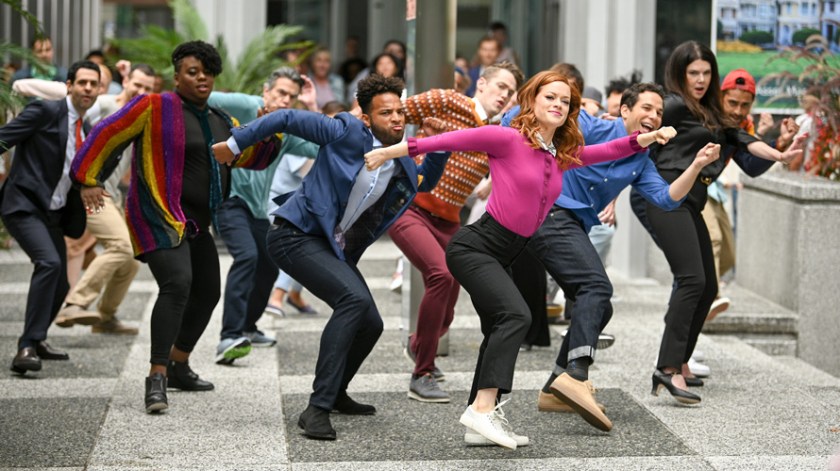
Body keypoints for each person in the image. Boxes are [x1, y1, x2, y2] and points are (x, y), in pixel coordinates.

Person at [365, 70, 676, 449]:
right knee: (516, 316)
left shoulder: (560, 156)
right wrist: (385, 152)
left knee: (499, 329)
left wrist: (647, 138)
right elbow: (442, 141)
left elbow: (610, 150)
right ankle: (482, 410)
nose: (558, 104)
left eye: (565, 101)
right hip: (477, 247)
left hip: (505, 254)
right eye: (550, 97)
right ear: (532, 101)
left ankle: (481, 417)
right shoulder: (507, 139)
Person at [210, 74, 451, 441]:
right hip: (295, 235)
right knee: (353, 300)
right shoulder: (345, 131)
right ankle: (317, 408)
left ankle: (336, 392)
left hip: (332, 247)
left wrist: (439, 147)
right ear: (366, 118)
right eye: (386, 113)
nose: (396, 119)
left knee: (371, 324)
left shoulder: (398, 159)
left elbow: (425, 182)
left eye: (400, 112)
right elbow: (285, 117)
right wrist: (234, 143)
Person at [71, 40, 282, 414]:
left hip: (197, 224)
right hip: (157, 215)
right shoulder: (153, 107)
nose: (202, 78)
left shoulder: (220, 119)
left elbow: (252, 156)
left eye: (208, 72)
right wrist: (88, 178)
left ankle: (178, 363)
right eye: (192, 72)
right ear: (177, 75)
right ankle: (156, 376)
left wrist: (267, 129)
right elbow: (106, 132)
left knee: (208, 292)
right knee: (178, 283)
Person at [514, 82, 720, 431]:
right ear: (625, 110)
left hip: (571, 224)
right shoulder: (591, 125)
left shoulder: (641, 161)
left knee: (600, 306)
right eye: (646, 108)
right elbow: (522, 115)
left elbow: (667, 199)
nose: (654, 116)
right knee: (596, 287)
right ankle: (576, 376)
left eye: (659, 112)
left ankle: (554, 387)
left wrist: (697, 165)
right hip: (547, 212)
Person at [643, 41, 804, 405]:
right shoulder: (671, 104)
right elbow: (637, 140)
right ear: (680, 73)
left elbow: (745, 142)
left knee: (708, 285)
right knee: (692, 279)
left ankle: (679, 361)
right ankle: (666, 368)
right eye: (693, 73)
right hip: (665, 198)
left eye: (706, 73)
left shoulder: (712, 113)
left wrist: (779, 152)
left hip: (690, 204)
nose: (700, 80)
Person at [391, 62, 524, 406]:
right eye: (501, 86)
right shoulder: (448, 100)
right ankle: (421, 373)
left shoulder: (498, 133)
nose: (505, 95)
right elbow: (391, 114)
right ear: (481, 84)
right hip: (409, 207)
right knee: (441, 275)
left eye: (510, 92)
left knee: (449, 306)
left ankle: (419, 344)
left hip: (450, 221)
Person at [208, 66, 317, 364]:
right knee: (247, 256)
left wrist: (311, 106)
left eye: (292, 97)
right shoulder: (246, 105)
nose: (285, 100)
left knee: (269, 264)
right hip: (229, 200)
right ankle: (229, 336)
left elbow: (320, 145)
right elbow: (205, 98)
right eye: (280, 93)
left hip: (257, 209)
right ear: (266, 91)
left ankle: (248, 326)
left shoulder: (286, 128)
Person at [0, 60, 100, 375]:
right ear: (68, 86)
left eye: (93, 84)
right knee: (49, 263)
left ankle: (39, 336)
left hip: (53, 213)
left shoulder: (87, 129)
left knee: (61, 282)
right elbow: (4, 137)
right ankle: (26, 347)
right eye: (82, 82)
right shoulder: (45, 111)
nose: (88, 88)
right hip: (23, 204)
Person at [53, 63, 157, 335]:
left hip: (111, 195)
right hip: (87, 192)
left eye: (147, 88)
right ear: (126, 81)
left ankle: (105, 318)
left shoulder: (143, 116)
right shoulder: (104, 104)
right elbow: (69, 110)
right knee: (121, 247)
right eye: (137, 85)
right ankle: (75, 303)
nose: (141, 91)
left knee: (131, 260)